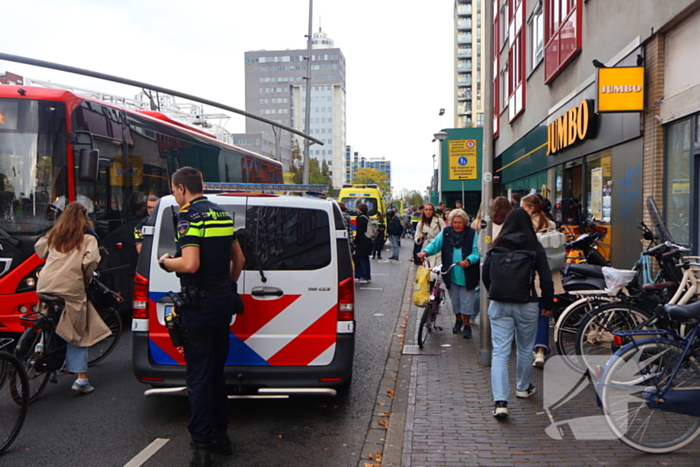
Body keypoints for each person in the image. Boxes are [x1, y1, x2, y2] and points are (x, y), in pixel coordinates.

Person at [158, 167, 245, 467]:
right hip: (223, 303)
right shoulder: (221, 214)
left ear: (181, 188)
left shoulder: (188, 215)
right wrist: (227, 287)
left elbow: (191, 264)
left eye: (173, 191)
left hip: (200, 307)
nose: (174, 195)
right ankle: (222, 438)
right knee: (216, 373)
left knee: (198, 377)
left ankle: (202, 447)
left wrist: (167, 263)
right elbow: (240, 259)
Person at [482, 208, 553, 418]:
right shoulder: (534, 246)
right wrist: (547, 304)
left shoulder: (497, 244)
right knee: (524, 348)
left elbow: (486, 275)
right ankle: (522, 388)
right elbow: (547, 279)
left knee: (500, 352)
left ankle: (500, 402)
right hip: (527, 303)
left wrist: (497, 292)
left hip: (499, 304)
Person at [34, 202, 111, 394]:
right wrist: (84, 276)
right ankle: (81, 379)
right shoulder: (88, 237)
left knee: (47, 313)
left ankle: (42, 341)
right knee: (79, 330)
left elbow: (39, 250)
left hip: (45, 284)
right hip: (70, 287)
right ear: (85, 217)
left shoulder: (55, 234)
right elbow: (91, 260)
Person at [417, 209, 480, 338]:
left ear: (465, 223)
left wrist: (468, 261)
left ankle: (467, 324)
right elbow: (435, 244)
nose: (457, 225)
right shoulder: (446, 232)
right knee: (455, 300)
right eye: (454, 222)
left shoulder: (472, 233)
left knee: (467, 301)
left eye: (460, 222)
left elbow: (476, 252)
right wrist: (425, 252)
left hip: (467, 273)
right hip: (451, 272)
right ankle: (458, 320)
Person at [520, 194, 565, 368]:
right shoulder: (551, 224)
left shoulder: (526, 226)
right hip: (549, 274)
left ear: (531, 209)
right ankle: (540, 350)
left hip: (531, 273)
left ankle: (531, 348)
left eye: (523, 208)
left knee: (528, 314)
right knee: (544, 313)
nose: (521, 211)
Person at [414, 203, 446, 267]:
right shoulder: (421, 223)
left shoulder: (439, 221)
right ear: (424, 211)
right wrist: (420, 237)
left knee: (437, 270)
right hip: (427, 248)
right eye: (426, 209)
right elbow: (416, 238)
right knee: (428, 270)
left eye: (430, 209)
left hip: (438, 248)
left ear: (433, 211)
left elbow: (445, 233)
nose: (428, 211)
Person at [353, 203, 373, 283]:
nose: (356, 210)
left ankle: (364, 276)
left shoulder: (361, 218)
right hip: (367, 240)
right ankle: (367, 276)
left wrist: (355, 241)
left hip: (362, 242)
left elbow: (360, 231)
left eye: (357, 208)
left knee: (361, 259)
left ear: (360, 209)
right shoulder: (367, 217)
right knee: (366, 259)